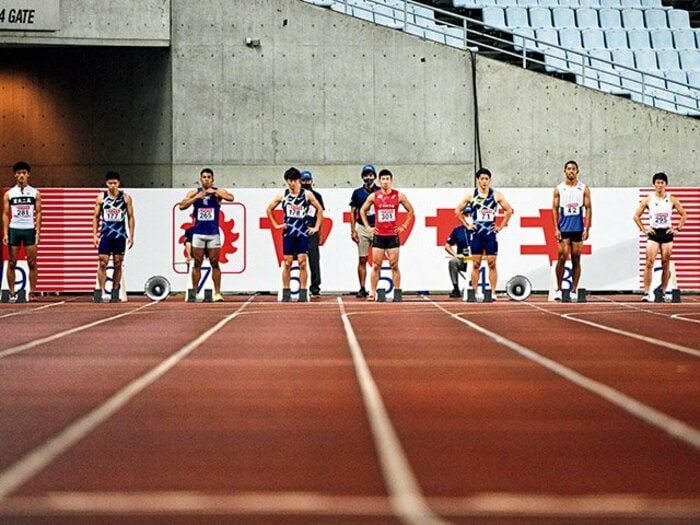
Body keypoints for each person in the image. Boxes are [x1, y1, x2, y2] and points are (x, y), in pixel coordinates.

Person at [266, 167, 324, 302]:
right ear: (286, 181)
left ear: (299, 181)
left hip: (302, 233)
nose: (292, 183)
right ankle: (286, 291)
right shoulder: (283, 195)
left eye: (294, 180)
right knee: (287, 263)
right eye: (289, 181)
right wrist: (276, 225)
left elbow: (319, 210)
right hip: (289, 234)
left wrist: (316, 227)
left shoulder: (307, 195)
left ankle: (303, 292)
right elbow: (269, 209)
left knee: (303, 263)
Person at [454, 168, 513, 300]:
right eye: (482, 179)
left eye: (487, 179)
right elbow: (457, 211)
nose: (484, 182)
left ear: (490, 180)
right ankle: (474, 292)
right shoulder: (472, 195)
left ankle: (492, 292)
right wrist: (467, 224)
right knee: (476, 264)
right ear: (478, 180)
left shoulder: (496, 195)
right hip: (477, 235)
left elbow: (509, 210)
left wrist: (500, 226)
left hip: (490, 234)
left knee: (492, 263)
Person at [179, 168, 234, 302]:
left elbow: (231, 197)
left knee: (215, 263)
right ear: (200, 179)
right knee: (197, 263)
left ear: (212, 179)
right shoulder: (193, 193)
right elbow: (181, 206)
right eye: (204, 177)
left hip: (213, 234)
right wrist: (197, 197)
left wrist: (214, 191)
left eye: (209, 177)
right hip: (198, 233)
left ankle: (217, 293)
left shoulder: (217, 193)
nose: (206, 179)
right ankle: (194, 291)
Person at [360, 168, 415, 302]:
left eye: (387, 179)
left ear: (391, 181)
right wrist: (368, 227)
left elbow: (410, 210)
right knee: (376, 265)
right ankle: (372, 292)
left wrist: (404, 226)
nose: (385, 182)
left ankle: (397, 291)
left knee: (394, 265)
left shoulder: (399, 195)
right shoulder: (374, 196)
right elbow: (362, 210)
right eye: (383, 179)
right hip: (379, 235)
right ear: (380, 181)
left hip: (392, 236)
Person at [633, 172, 687, 302]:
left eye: (662, 183)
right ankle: (646, 292)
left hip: (666, 234)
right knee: (649, 262)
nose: (659, 185)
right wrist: (644, 229)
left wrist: (677, 229)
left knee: (665, 263)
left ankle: (662, 292)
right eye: (657, 183)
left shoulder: (672, 199)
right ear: (654, 184)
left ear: (666, 184)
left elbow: (684, 215)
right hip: (654, 233)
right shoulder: (648, 199)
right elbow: (636, 216)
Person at [552, 160, 592, 301]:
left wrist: (587, 228)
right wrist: (556, 228)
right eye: (568, 169)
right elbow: (555, 209)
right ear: (565, 171)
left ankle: (574, 290)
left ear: (577, 171)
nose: (571, 171)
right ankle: (558, 289)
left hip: (578, 229)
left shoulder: (583, 188)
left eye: (573, 169)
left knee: (576, 258)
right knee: (562, 257)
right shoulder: (559, 189)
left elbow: (588, 208)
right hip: (564, 228)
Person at [92, 171, 135, 302]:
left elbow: (130, 217)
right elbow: (95, 217)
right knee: (102, 261)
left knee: (118, 263)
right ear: (106, 183)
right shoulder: (101, 198)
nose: (112, 186)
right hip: (106, 235)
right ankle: (101, 290)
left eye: (114, 183)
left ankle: (115, 291)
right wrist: (94, 235)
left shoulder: (125, 198)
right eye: (110, 183)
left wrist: (131, 235)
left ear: (118, 183)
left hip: (120, 235)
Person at [2, 161, 41, 302]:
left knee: (32, 262)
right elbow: (6, 214)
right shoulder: (9, 194)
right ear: (15, 175)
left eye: (24, 173)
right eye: (18, 173)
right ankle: (12, 292)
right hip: (14, 229)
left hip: (29, 229)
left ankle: (32, 292)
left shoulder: (35, 193)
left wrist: (38, 232)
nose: (21, 176)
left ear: (28, 175)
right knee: (12, 262)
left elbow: (38, 213)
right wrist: (6, 233)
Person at [349, 164, 379, 298]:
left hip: (377, 227)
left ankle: (375, 287)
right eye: (366, 175)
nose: (368, 178)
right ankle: (362, 287)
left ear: (375, 177)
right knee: (362, 259)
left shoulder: (380, 192)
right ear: (362, 177)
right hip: (362, 226)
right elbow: (353, 211)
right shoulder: (357, 193)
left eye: (371, 175)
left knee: (378, 260)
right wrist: (353, 230)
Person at [300, 170, 325, 297]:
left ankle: (315, 286)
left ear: (311, 181)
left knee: (314, 259)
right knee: (297, 259)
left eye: (308, 180)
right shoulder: (296, 196)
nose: (306, 183)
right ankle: (299, 286)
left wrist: (318, 230)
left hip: (311, 231)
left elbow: (321, 214)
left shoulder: (317, 196)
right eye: (303, 180)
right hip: (298, 230)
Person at [444, 210, 472, 298]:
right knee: (453, 262)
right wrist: (456, 255)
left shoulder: (480, 229)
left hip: (476, 258)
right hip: (464, 259)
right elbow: (447, 246)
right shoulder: (458, 230)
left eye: (471, 214)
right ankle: (456, 288)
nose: (469, 217)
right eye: (467, 215)